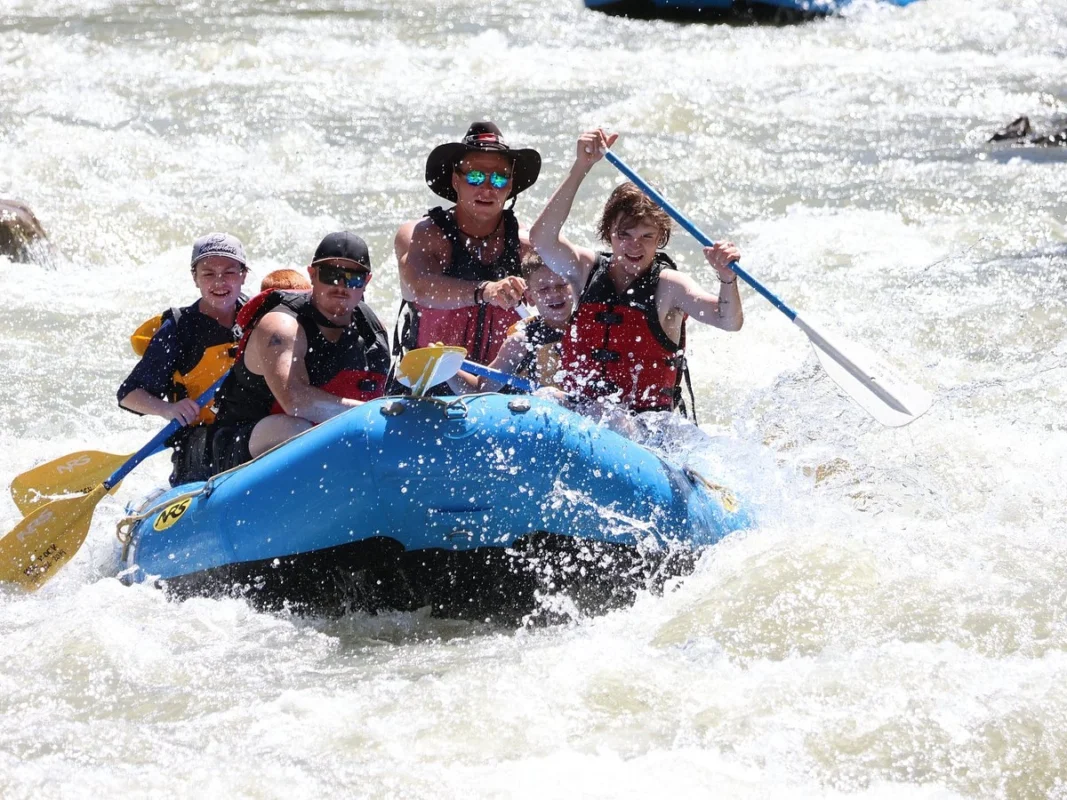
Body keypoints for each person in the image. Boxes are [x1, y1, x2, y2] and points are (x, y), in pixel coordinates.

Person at [530, 129, 743, 417]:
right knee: (544, 397)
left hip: (646, 428)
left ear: (661, 238)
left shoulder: (670, 287)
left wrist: (727, 277)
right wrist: (582, 167)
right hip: (585, 414)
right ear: (608, 233)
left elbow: (727, 321)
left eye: (646, 236)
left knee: (615, 422)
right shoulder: (586, 271)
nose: (634, 246)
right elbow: (542, 239)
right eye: (624, 234)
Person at [207, 231, 389, 472]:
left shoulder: (371, 330)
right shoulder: (281, 326)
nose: (341, 286)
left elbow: (387, 396)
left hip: (329, 442)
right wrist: (371, 414)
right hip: (241, 446)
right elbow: (295, 401)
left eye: (353, 278)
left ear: (366, 282)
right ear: (312, 275)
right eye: (331, 275)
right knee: (298, 429)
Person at [393, 121, 542, 387]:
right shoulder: (420, 236)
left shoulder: (528, 246)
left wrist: (581, 168)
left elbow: (570, 286)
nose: (487, 189)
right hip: (428, 386)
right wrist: (485, 290)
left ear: (510, 187)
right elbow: (419, 288)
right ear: (455, 180)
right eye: (475, 177)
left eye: (499, 178)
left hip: (503, 388)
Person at [118, 232, 248, 485]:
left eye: (229, 272)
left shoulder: (258, 316)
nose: (220, 282)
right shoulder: (178, 330)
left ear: (243, 275)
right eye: (208, 273)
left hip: (251, 428)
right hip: (200, 443)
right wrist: (168, 409)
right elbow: (128, 395)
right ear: (195, 278)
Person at [448, 251, 576, 394]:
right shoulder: (520, 342)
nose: (554, 293)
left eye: (562, 285)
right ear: (530, 298)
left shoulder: (591, 327)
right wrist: (447, 369)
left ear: (576, 288)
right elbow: (479, 389)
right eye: (543, 289)